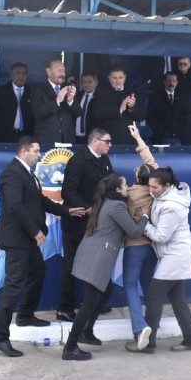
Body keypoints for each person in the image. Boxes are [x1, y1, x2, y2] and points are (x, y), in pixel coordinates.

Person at [0, 137, 83, 357]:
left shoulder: (28, 173)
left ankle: (25, 315)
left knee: (38, 272)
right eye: (36, 151)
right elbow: (15, 207)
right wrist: (35, 231)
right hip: (18, 239)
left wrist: (67, 211)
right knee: (14, 284)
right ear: (24, 151)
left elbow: (40, 201)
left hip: (28, 239)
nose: (39, 155)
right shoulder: (12, 174)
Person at [62, 173, 149, 360]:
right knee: (89, 304)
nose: (129, 187)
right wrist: (145, 217)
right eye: (125, 185)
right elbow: (134, 231)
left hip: (91, 254)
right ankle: (70, 347)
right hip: (97, 258)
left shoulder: (105, 202)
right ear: (118, 189)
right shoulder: (117, 206)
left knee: (106, 291)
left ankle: (87, 332)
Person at [142, 167, 191, 351]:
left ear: (167, 186)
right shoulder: (166, 196)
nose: (151, 191)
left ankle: (148, 342)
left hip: (176, 255)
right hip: (175, 253)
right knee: (177, 300)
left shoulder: (172, 206)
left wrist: (144, 222)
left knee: (154, 296)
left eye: (155, 187)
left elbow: (162, 236)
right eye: (149, 186)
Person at [58, 127, 114, 322]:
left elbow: (109, 187)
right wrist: (87, 208)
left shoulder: (105, 161)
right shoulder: (78, 161)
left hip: (98, 222)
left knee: (97, 263)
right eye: (107, 141)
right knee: (72, 265)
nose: (110, 145)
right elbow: (68, 192)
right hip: (77, 222)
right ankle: (65, 307)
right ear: (95, 141)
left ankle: (94, 302)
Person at [123, 123, 160, 347]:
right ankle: (153, 327)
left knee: (130, 285)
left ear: (137, 178)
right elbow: (151, 161)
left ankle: (140, 327)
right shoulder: (157, 188)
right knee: (149, 286)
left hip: (134, 244)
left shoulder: (129, 194)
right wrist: (139, 140)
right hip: (153, 244)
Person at [91, 65, 145, 144]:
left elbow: (141, 117)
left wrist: (132, 108)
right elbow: (97, 114)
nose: (118, 81)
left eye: (120, 77)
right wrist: (119, 109)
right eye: (114, 78)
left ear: (125, 77)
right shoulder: (101, 92)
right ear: (109, 78)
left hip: (128, 140)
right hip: (106, 141)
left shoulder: (133, 92)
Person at [30, 59, 80, 144]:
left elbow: (78, 113)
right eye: (59, 70)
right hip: (46, 140)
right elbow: (38, 113)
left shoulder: (68, 88)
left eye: (64, 71)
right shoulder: (38, 89)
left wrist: (70, 100)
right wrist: (57, 101)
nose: (62, 74)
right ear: (49, 72)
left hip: (67, 140)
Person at [0, 62, 34, 142]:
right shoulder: (1, 91)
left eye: (24, 73)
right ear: (11, 75)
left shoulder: (32, 92)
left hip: (27, 136)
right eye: (18, 73)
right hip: (5, 135)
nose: (21, 76)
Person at [147, 71, 181, 144]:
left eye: (173, 81)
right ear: (164, 82)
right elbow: (150, 118)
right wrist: (160, 131)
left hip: (179, 137)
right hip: (160, 138)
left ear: (177, 82)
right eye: (169, 80)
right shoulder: (155, 97)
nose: (171, 83)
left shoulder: (182, 96)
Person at [74, 72, 98, 143]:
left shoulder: (100, 98)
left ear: (96, 83)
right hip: (75, 137)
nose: (86, 84)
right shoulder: (76, 96)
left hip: (91, 138)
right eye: (84, 82)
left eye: (90, 82)